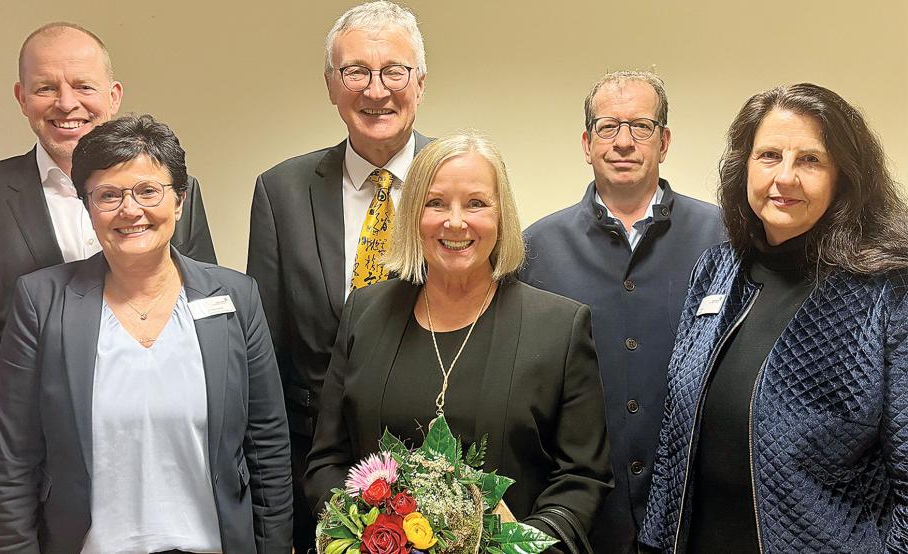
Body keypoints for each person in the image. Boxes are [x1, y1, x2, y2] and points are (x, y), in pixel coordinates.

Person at [0, 22, 215, 551]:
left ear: (114, 95)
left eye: (82, 86)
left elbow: (206, 336)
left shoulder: (175, 192)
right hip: (24, 490)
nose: (66, 104)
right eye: (45, 88)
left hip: (164, 483)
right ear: (21, 97)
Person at [0, 115, 291, 553]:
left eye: (149, 191)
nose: (131, 210)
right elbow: (13, 462)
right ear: (87, 206)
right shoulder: (41, 302)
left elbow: (267, 448)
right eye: (108, 195)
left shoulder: (236, 299)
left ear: (180, 201)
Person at [305, 131, 613, 554]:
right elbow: (327, 460)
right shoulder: (364, 313)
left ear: (501, 215)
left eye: (476, 203)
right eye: (435, 203)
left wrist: (512, 547)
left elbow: (582, 478)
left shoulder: (560, 327)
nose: (455, 221)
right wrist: (364, 535)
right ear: (414, 213)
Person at [640, 83, 908, 553]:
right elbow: (673, 438)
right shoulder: (716, 271)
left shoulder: (886, 293)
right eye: (769, 156)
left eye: (811, 160)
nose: (785, 177)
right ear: (744, 167)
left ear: (844, 176)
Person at [245, 2, 429, 549]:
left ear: (420, 82)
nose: (376, 90)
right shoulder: (281, 192)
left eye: (394, 70)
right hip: (316, 472)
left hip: (442, 466)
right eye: (356, 72)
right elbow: (267, 356)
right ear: (331, 85)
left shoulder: (460, 179)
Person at [518, 70, 724, 552]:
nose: (624, 142)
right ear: (587, 143)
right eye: (608, 127)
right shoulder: (536, 250)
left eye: (641, 127)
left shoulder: (722, 239)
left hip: (696, 510)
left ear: (665, 141)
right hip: (582, 515)